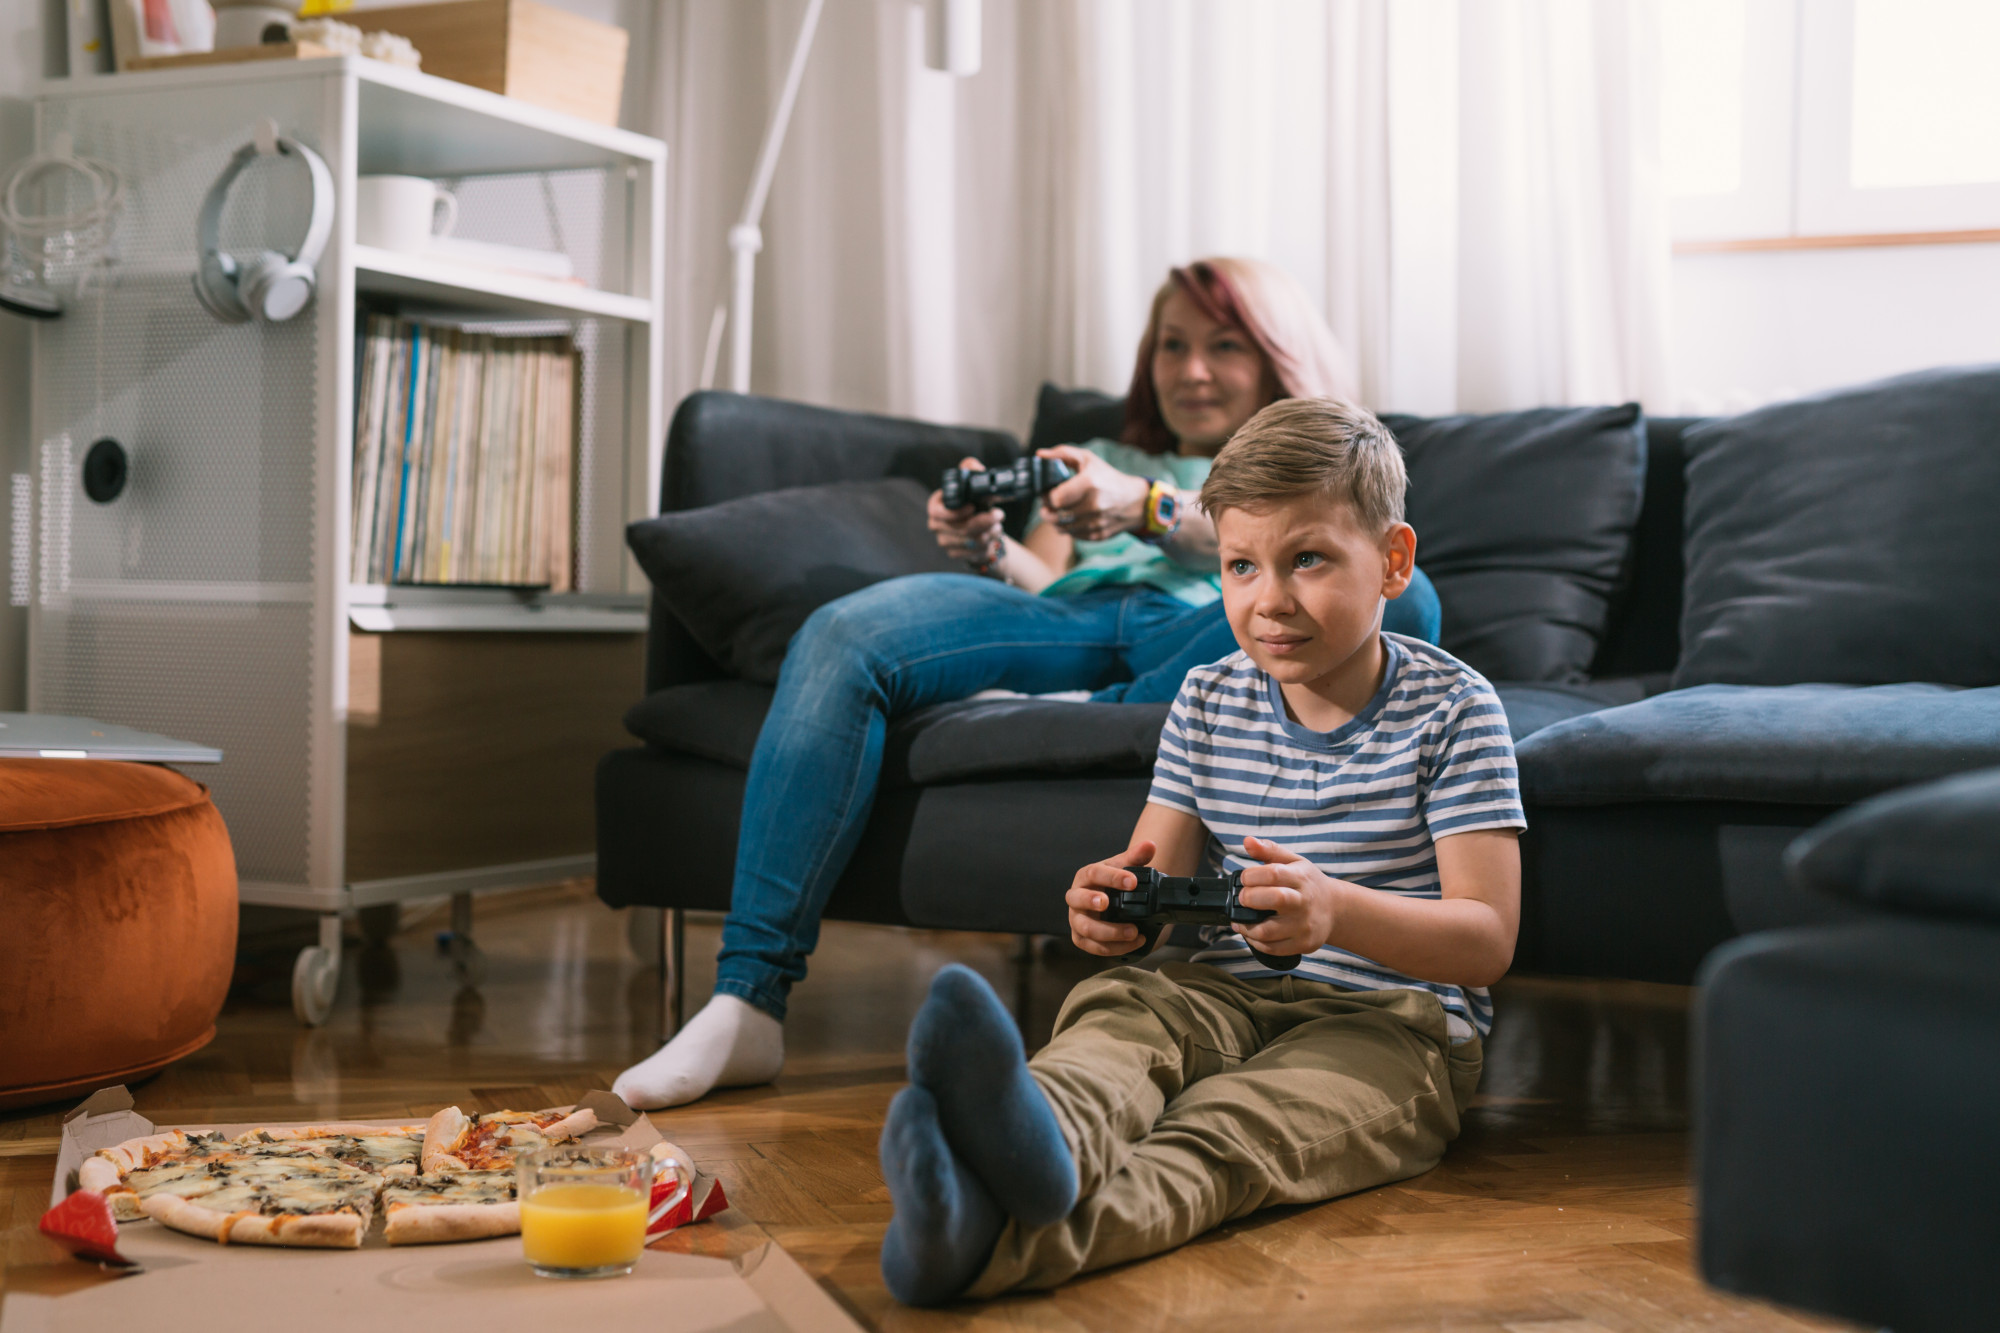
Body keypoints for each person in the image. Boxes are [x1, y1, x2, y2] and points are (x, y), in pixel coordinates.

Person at [612, 259, 1443, 1110]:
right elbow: (1044, 580)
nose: (1192, 369)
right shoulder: (1097, 453)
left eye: (1223, 345)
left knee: (1409, 600)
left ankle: (1093, 710)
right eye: (1172, 345)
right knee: (842, 630)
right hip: (1069, 622)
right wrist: (985, 549)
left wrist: (1146, 506)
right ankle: (744, 999)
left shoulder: (1306, 461)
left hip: (1199, 637)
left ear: (1274, 354)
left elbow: (1284, 563)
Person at [874, 396, 1525, 1303]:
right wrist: (1115, 910)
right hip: (1220, 989)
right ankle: (1043, 1134)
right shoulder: (1208, 697)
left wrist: (1334, 911)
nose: (1270, 600)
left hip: (1392, 1026)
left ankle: (985, 1244)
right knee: (1122, 1018)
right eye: (1240, 566)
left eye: (1308, 559)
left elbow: (1486, 937)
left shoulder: (1456, 710)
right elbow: (1154, 870)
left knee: (1231, 1131)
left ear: (1392, 561)